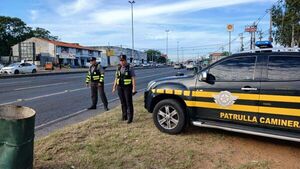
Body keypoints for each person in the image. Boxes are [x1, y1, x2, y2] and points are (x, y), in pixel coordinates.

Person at [112, 55, 136, 123]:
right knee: (122, 102)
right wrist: (114, 87)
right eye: (121, 60)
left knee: (129, 102)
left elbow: (133, 78)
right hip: (120, 87)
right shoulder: (118, 68)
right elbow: (116, 78)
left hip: (127, 87)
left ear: (126, 60)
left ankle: (130, 118)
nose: (122, 62)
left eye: (123, 60)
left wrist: (134, 88)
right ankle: (124, 116)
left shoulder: (130, 67)